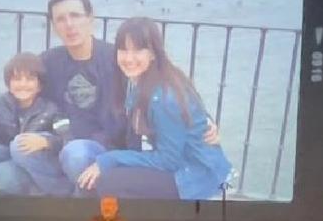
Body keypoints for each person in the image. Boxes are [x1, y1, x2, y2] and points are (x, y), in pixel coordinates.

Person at [78, 17, 233, 199]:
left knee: (108, 181)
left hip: (195, 175)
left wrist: (111, 159)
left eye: (138, 51)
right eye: (123, 50)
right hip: (177, 163)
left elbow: (168, 160)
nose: (129, 58)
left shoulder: (163, 97)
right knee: (97, 176)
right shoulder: (142, 80)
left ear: (153, 53)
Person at [0, 52, 69, 194]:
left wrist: (47, 142)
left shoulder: (52, 108)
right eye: (16, 79)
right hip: (9, 158)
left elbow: (67, 137)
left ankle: (52, 192)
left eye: (29, 79)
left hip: (40, 162)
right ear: (8, 84)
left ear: (39, 85)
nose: (23, 84)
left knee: (18, 147)